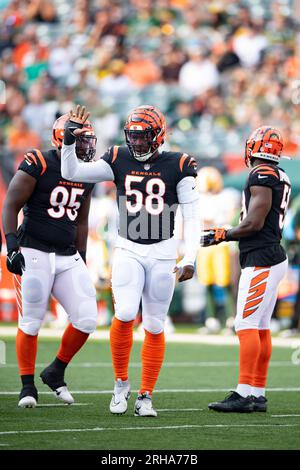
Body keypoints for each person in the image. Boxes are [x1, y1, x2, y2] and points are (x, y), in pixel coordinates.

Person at [61, 104, 199, 417]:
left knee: (153, 323)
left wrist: (190, 256)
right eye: (132, 135)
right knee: (123, 313)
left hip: (163, 251)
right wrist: (69, 144)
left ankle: (146, 395)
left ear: (159, 135)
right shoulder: (117, 156)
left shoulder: (179, 164)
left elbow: (192, 216)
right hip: (128, 248)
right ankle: (121, 384)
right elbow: (72, 172)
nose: (136, 141)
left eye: (143, 135)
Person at [2, 114, 98, 408]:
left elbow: (81, 220)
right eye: (79, 138)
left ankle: (55, 370)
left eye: (87, 139)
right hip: (34, 249)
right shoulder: (39, 162)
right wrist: (12, 244)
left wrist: (82, 255)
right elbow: (11, 203)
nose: (85, 145)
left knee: (87, 318)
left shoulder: (86, 171)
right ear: (62, 137)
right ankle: (27, 386)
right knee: (31, 321)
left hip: (67, 253)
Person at [201, 126, 291, 412]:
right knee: (260, 326)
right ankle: (257, 392)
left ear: (253, 149)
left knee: (246, 325)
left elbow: (254, 221)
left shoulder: (261, 174)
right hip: (270, 255)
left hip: (262, 257)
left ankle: (244, 393)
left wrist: (222, 234)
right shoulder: (280, 175)